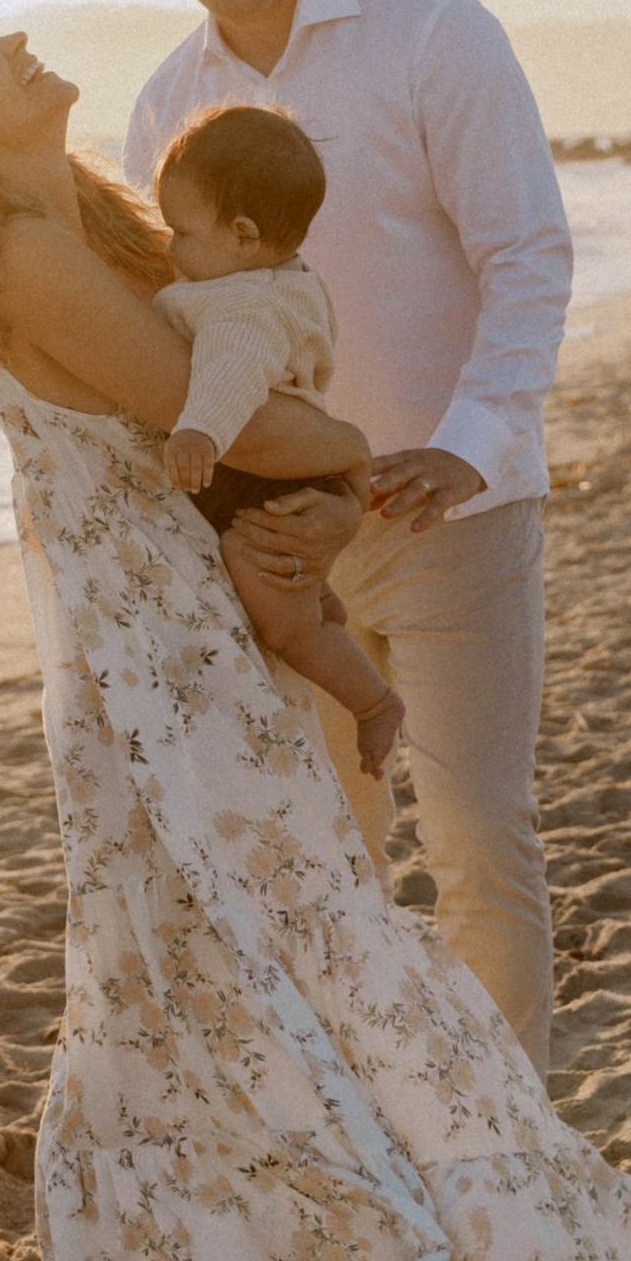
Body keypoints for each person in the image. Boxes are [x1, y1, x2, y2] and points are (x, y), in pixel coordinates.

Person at [0, 4, 631, 1261]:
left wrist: (307, 457)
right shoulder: (22, 254)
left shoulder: (105, 228)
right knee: (181, 965)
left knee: (232, 955)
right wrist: (353, 455)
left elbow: (243, 401)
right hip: (143, 663)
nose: (21, 45)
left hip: (188, 636)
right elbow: (230, 423)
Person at [119, 0, 573, 1066]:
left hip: (453, 518)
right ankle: (386, 1145)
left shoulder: (436, 36)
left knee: (479, 835)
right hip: (281, 554)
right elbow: (187, 337)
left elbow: (527, 257)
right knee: (328, 858)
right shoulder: (165, 106)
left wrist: (472, 447)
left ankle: (515, 1167)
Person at [152, 103, 407, 783]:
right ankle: (319, 602)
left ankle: (375, 702)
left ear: (241, 235)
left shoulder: (242, 304)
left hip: (271, 482)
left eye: (180, 231)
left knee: (283, 629)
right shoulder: (283, 279)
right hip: (301, 473)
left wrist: (198, 429)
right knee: (291, 595)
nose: (169, 246)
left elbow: (233, 373)